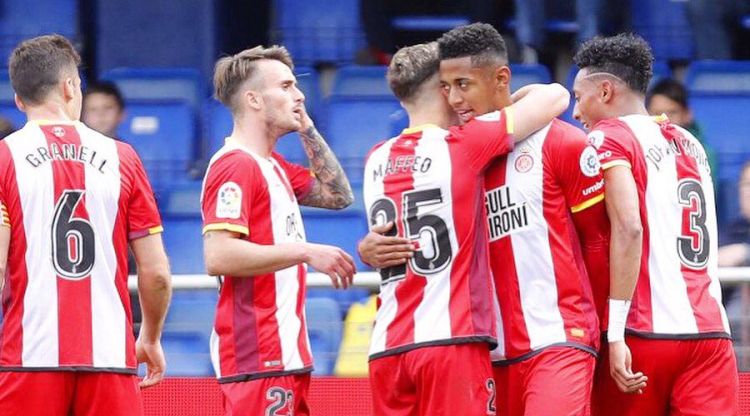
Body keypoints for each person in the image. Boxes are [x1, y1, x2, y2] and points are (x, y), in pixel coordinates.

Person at [361, 22, 612, 415]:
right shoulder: (457, 152)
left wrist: (609, 327)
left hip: (555, 337)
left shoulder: (556, 141)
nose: (455, 98)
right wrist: (368, 245)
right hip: (481, 351)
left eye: (463, 84)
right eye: (447, 87)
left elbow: (599, 240)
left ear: (500, 78)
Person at [0, 35, 172, 415]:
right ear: (69, 86)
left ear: (19, 100)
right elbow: (156, 273)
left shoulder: (3, 158)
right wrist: (151, 336)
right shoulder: (123, 158)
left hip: (28, 357)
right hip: (109, 358)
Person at [572, 33, 737, 415]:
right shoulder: (690, 141)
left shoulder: (608, 137)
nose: (576, 113)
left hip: (643, 331)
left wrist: (613, 332)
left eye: (579, 98)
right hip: (710, 332)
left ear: (607, 91)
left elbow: (629, 226)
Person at [201, 45, 356, 416]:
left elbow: (339, 196)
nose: (299, 94)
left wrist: (308, 129)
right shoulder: (235, 166)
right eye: (286, 86)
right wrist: (304, 251)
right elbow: (218, 256)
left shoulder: (273, 166)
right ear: (253, 99)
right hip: (257, 356)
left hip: (284, 354)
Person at [646, 78, 716, 174]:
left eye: (672, 113)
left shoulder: (704, 153)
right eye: (657, 113)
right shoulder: (638, 147)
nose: (664, 119)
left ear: (687, 114)